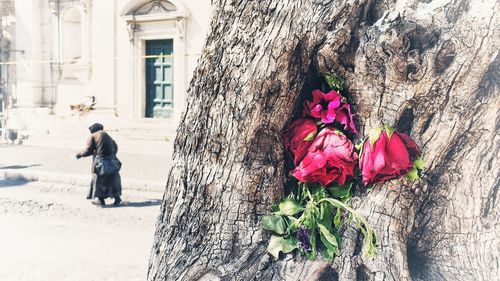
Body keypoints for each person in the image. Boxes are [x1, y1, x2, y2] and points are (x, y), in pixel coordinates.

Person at [76, 123, 122, 206]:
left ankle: (100, 199)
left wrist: (79, 154)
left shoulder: (93, 136)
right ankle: (117, 198)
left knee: (98, 179)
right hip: (112, 162)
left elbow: (88, 150)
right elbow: (115, 147)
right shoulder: (107, 135)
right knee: (113, 180)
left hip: (101, 163)